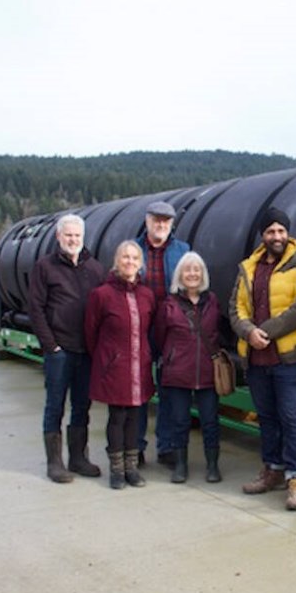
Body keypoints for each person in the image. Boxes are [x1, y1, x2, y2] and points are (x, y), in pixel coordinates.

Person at [230, 206, 296, 511]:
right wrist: (247, 332)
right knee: (267, 418)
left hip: (290, 359)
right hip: (256, 360)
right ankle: (272, 469)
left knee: (292, 417)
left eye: (281, 230)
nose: (277, 236)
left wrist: (264, 331)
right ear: (262, 235)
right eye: (271, 231)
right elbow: (235, 309)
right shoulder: (248, 268)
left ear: (288, 233)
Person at [28, 213, 106, 483]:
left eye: (77, 235)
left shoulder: (95, 269)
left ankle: (78, 458)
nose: (73, 239)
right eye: (68, 235)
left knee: (82, 406)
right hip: (60, 351)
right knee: (55, 406)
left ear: (83, 238)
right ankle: (55, 463)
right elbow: (35, 308)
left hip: (86, 352)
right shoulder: (45, 267)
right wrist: (51, 346)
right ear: (58, 237)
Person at [84, 240, 157, 489]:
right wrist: (109, 357)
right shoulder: (101, 295)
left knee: (136, 417)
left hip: (140, 365)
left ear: (140, 264)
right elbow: (90, 333)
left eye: (135, 258)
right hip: (115, 367)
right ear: (117, 261)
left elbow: (151, 330)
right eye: (125, 257)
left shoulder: (147, 295)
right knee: (117, 417)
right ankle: (116, 470)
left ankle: (132, 468)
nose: (130, 262)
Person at [154, 251, 223, 484]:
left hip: (207, 371)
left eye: (196, 270)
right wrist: (172, 357)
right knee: (180, 421)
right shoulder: (169, 304)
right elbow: (160, 336)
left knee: (210, 420)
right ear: (180, 275)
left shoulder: (212, 301)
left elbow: (219, 333)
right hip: (178, 371)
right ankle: (180, 465)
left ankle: (213, 465)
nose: (192, 274)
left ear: (202, 274)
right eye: (187, 270)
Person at [137, 200, 190, 467]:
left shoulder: (183, 251)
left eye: (166, 221)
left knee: (169, 390)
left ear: (172, 224)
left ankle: (167, 446)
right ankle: (135, 446)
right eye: (156, 219)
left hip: (171, 330)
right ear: (147, 221)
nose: (161, 225)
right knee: (138, 389)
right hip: (140, 329)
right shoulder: (133, 250)